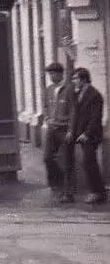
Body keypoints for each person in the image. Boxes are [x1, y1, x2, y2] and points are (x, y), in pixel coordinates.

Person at [68, 67, 105, 205]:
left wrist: (86, 134)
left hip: (91, 135)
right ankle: (96, 191)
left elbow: (95, 118)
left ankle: (97, 192)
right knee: (88, 162)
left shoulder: (94, 95)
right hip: (82, 135)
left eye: (75, 78)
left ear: (83, 79)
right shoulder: (81, 93)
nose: (74, 81)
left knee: (90, 162)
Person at [42, 62, 74, 200]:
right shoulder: (48, 89)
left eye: (53, 73)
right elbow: (45, 106)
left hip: (65, 129)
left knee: (66, 160)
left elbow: (74, 111)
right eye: (50, 74)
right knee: (48, 157)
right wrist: (47, 118)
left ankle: (68, 193)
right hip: (52, 128)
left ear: (61, 74)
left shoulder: (69, 89)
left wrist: (71, 130)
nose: (51, 76)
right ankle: (56, 184)